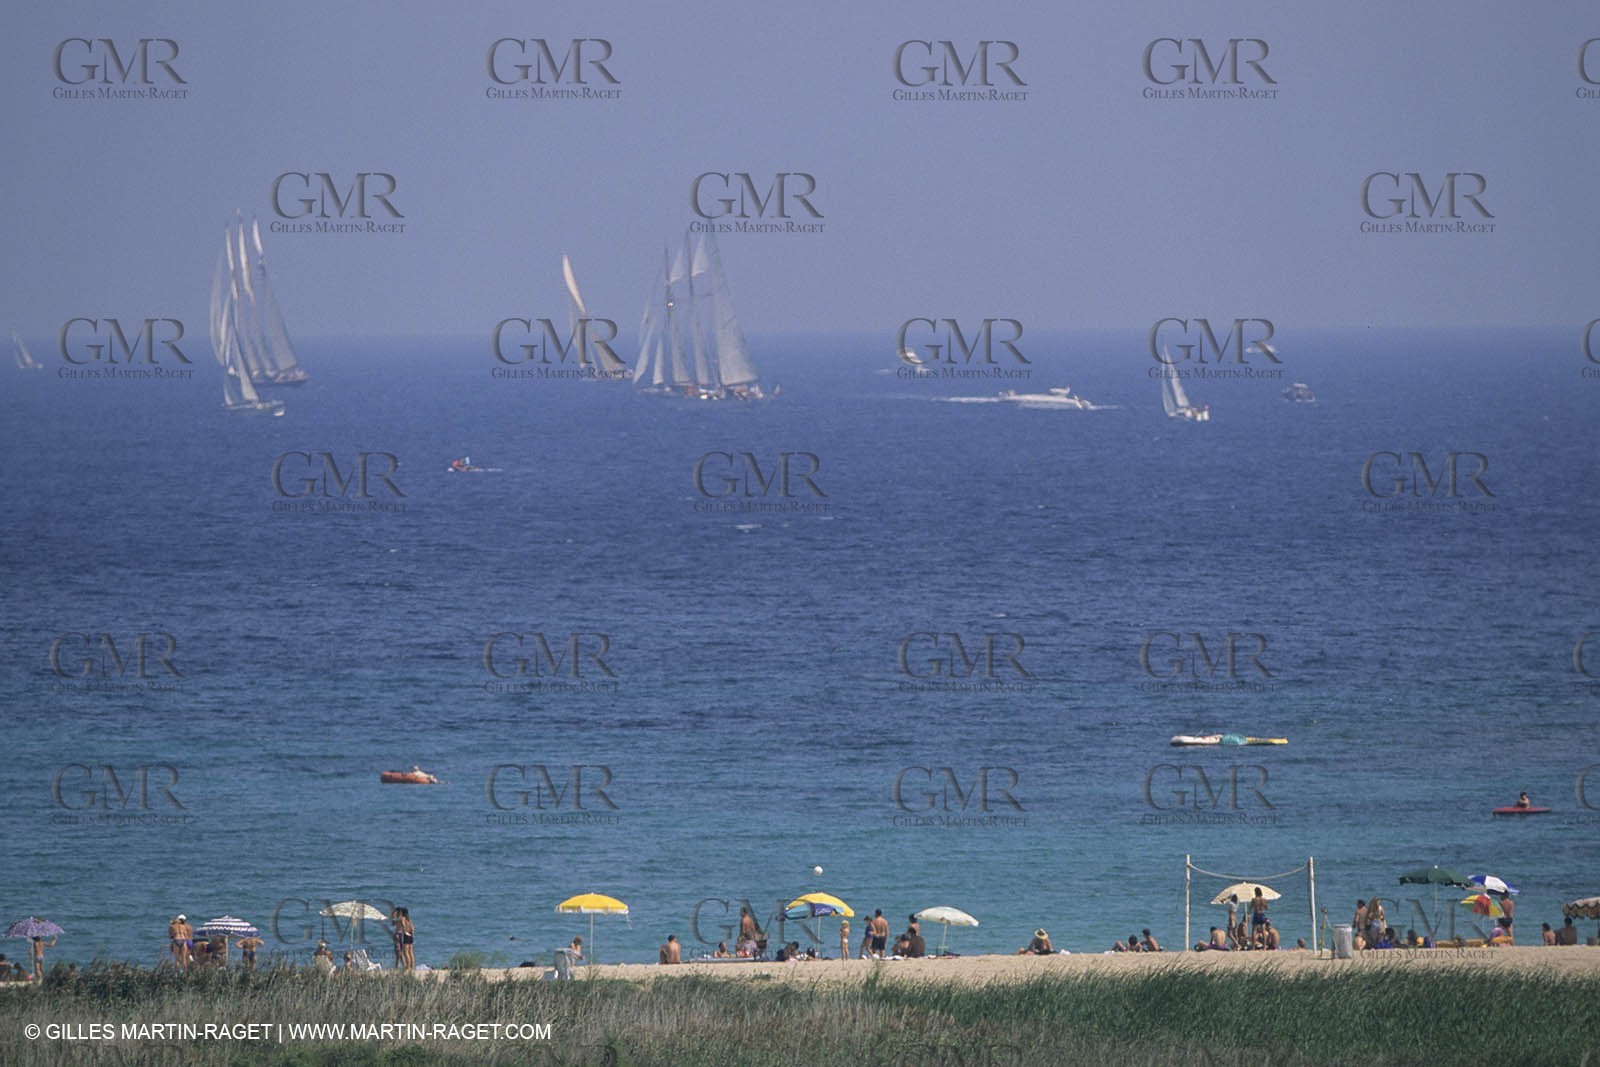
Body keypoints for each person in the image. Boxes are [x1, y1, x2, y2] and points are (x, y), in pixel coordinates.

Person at [393, 906, 415, 971]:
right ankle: (412, 967)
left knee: (406, 952)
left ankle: (408, 967)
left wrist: (404, 931)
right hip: (411, 935)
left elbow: (403, 924)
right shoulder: (409, 920)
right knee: (411, 952)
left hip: (406, 936)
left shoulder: (403, 918)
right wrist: (411, 933)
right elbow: (412, 928)